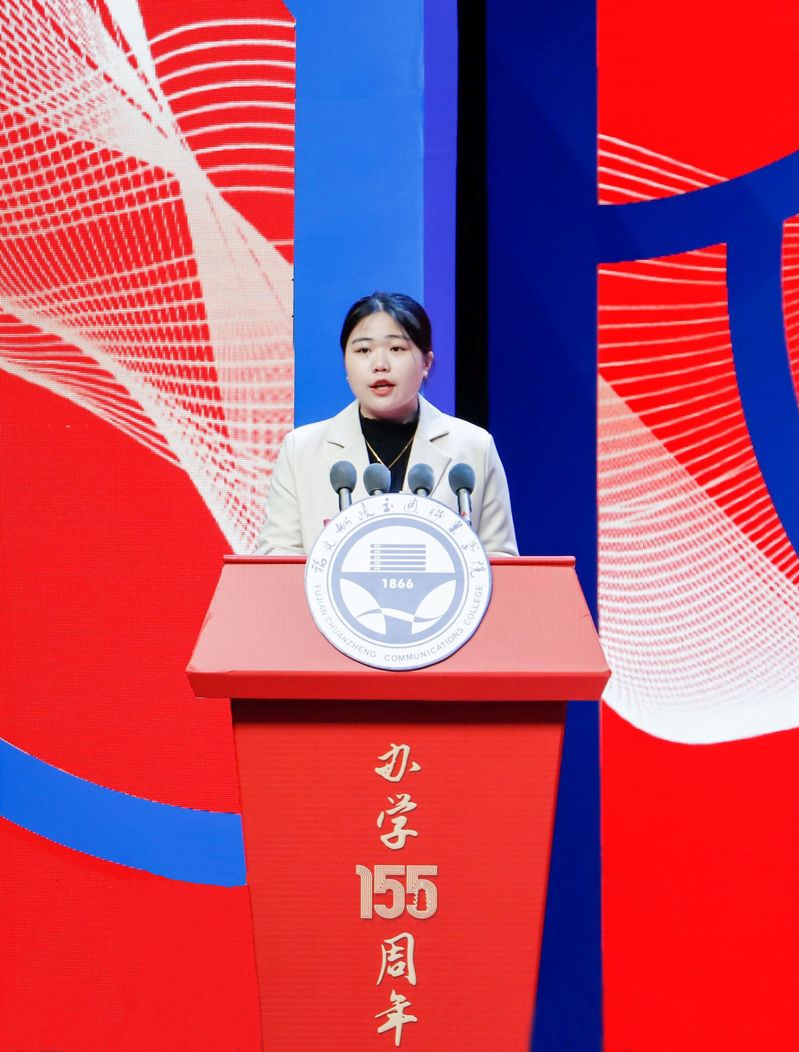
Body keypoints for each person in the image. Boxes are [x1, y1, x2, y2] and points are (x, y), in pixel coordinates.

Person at [257, 292, 518, 556]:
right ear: (345, 363)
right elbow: (275, 561)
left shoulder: (474, 447)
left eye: (396, 349)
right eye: (363, 350)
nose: (380, 365)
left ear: (426, 362)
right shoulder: (301, 451)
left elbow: (502, 563)